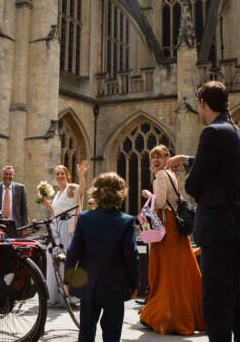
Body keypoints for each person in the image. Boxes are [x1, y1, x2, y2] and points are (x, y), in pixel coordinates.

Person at [167, 81, 240, 342]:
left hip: (218, 228)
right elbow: (218, 163)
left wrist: (192, 174)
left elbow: (193, 184)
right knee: (235, 297)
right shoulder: (233, 129)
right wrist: (188, 159)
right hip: (234, 225)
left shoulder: (212, 133)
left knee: (215, 304)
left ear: (203, 103)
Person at [139, 145, 205, 335]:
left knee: (165, 272)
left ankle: (162, 315)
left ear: (167, 158)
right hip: (174, 228)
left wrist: (147, 195)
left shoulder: (161, 176)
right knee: (179, 271)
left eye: (159, 156)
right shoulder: (172, 175)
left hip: (165, 227)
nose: (155, 160)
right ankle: (183, 314)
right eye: (152, 157)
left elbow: (159, 203)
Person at [65, 172, 139, 342]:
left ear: (96, 191)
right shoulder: (126, 221)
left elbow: (73, 251)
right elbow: (131, 257)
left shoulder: (84, 218)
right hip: (115, 286)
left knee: (86, 333)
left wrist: (68, 280)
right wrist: (135, 284)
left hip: (88, 284)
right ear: (120, 192)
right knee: (112, 334)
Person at [42, 160, 87, 306]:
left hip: (67, 226)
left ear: (67, 175)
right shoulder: (57, 193)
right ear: (54, 177)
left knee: (67, 259)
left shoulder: (71, 188)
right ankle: (55, 294)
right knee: (54, 259)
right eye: (57, 174)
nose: (60, 176)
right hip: (56, 227)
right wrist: (46, 204)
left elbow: (82, 191)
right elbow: (55, 212)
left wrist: (81, 175)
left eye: (62, 173)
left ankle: (69, 295)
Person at [0, 165, 28, 236]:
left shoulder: (20, 188)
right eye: (5, 174)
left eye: (10, 174)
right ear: (1, 175)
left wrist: (24, 228)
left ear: (13, 175)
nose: (8, 176)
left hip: (15, 226)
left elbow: (24, 209)